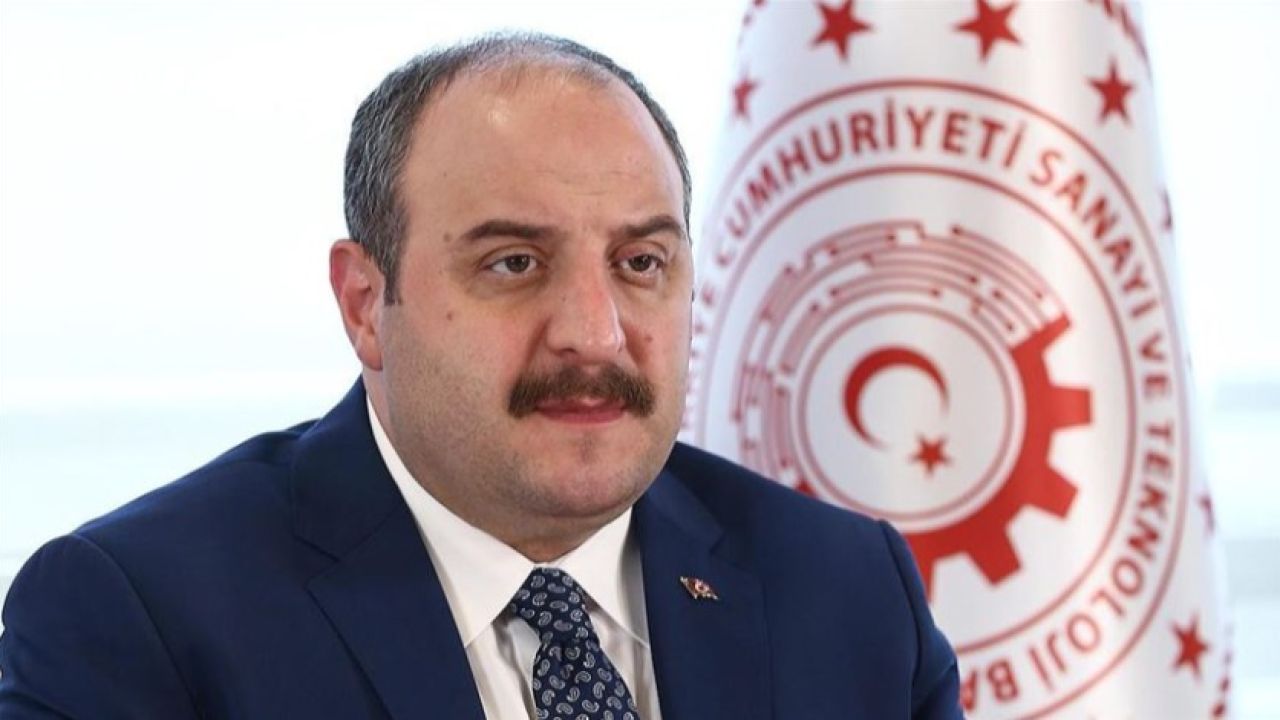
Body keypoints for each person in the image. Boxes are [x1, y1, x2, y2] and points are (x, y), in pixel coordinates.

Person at [0, 32, 961, 719]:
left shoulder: (845, 592)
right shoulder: (141, 619)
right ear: (365, 304)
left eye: (640, 263)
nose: (594, 335)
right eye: (514, 263)